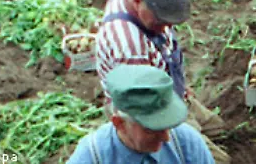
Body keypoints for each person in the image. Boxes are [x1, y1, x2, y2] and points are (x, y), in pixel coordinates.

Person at [95, 0, 230, 163]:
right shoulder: (129, 46)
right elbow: (148, 109)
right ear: (137, 1)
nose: (166, 28)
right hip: (150, 108)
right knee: (218, 159)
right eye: (160, 22)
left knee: (218, 128)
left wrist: (181, 88)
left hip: (169, 90)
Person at [67, 64, 215, 163]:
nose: (166, 137)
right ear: (120, 124)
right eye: (151, 129)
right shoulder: (91, 157)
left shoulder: (187, 144)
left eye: (167, 125)